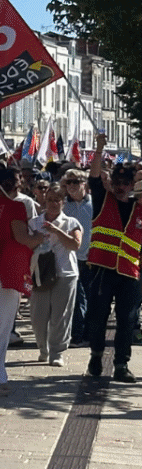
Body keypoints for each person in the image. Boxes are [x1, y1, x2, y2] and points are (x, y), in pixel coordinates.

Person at [0, 166, 46, 396]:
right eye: (18, 181)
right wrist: (42, 235)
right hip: (3, 268)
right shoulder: (15, 206)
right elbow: (23, 238)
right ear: (12, 184)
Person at [84, 133, 141, 382]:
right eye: (117, 181)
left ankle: (121, 364)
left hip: (130, 273)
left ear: (133, 184)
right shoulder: (102, 199)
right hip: (101, 269)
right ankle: (96, 354)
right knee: (97, 317)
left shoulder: (140, 207)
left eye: (126, 182)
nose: (121, 186)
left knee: (127, 320)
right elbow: (94, 177)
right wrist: (98, 149)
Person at [29, 184, 83, 367]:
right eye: (50, 200)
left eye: (57, 200)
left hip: (65, 273)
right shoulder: (34, 223)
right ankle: (42, 349)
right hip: (39, 273)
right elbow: (26, 245)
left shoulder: (71, 222)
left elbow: (76, 245)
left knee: (61, 316)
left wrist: (57, 231)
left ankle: (56, 352)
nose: (53, 204)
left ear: (63, 202)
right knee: (38, 316)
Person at [61, 168, 93, 346]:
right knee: (76, 298)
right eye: (68, 182)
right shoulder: (64, 205)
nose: (71, 186)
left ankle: (87, 333)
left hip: (91, 259)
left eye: (75, 182)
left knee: (90, 298)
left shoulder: (94, 203)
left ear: (84, 184)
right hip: (70, 258)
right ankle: (77, 334)